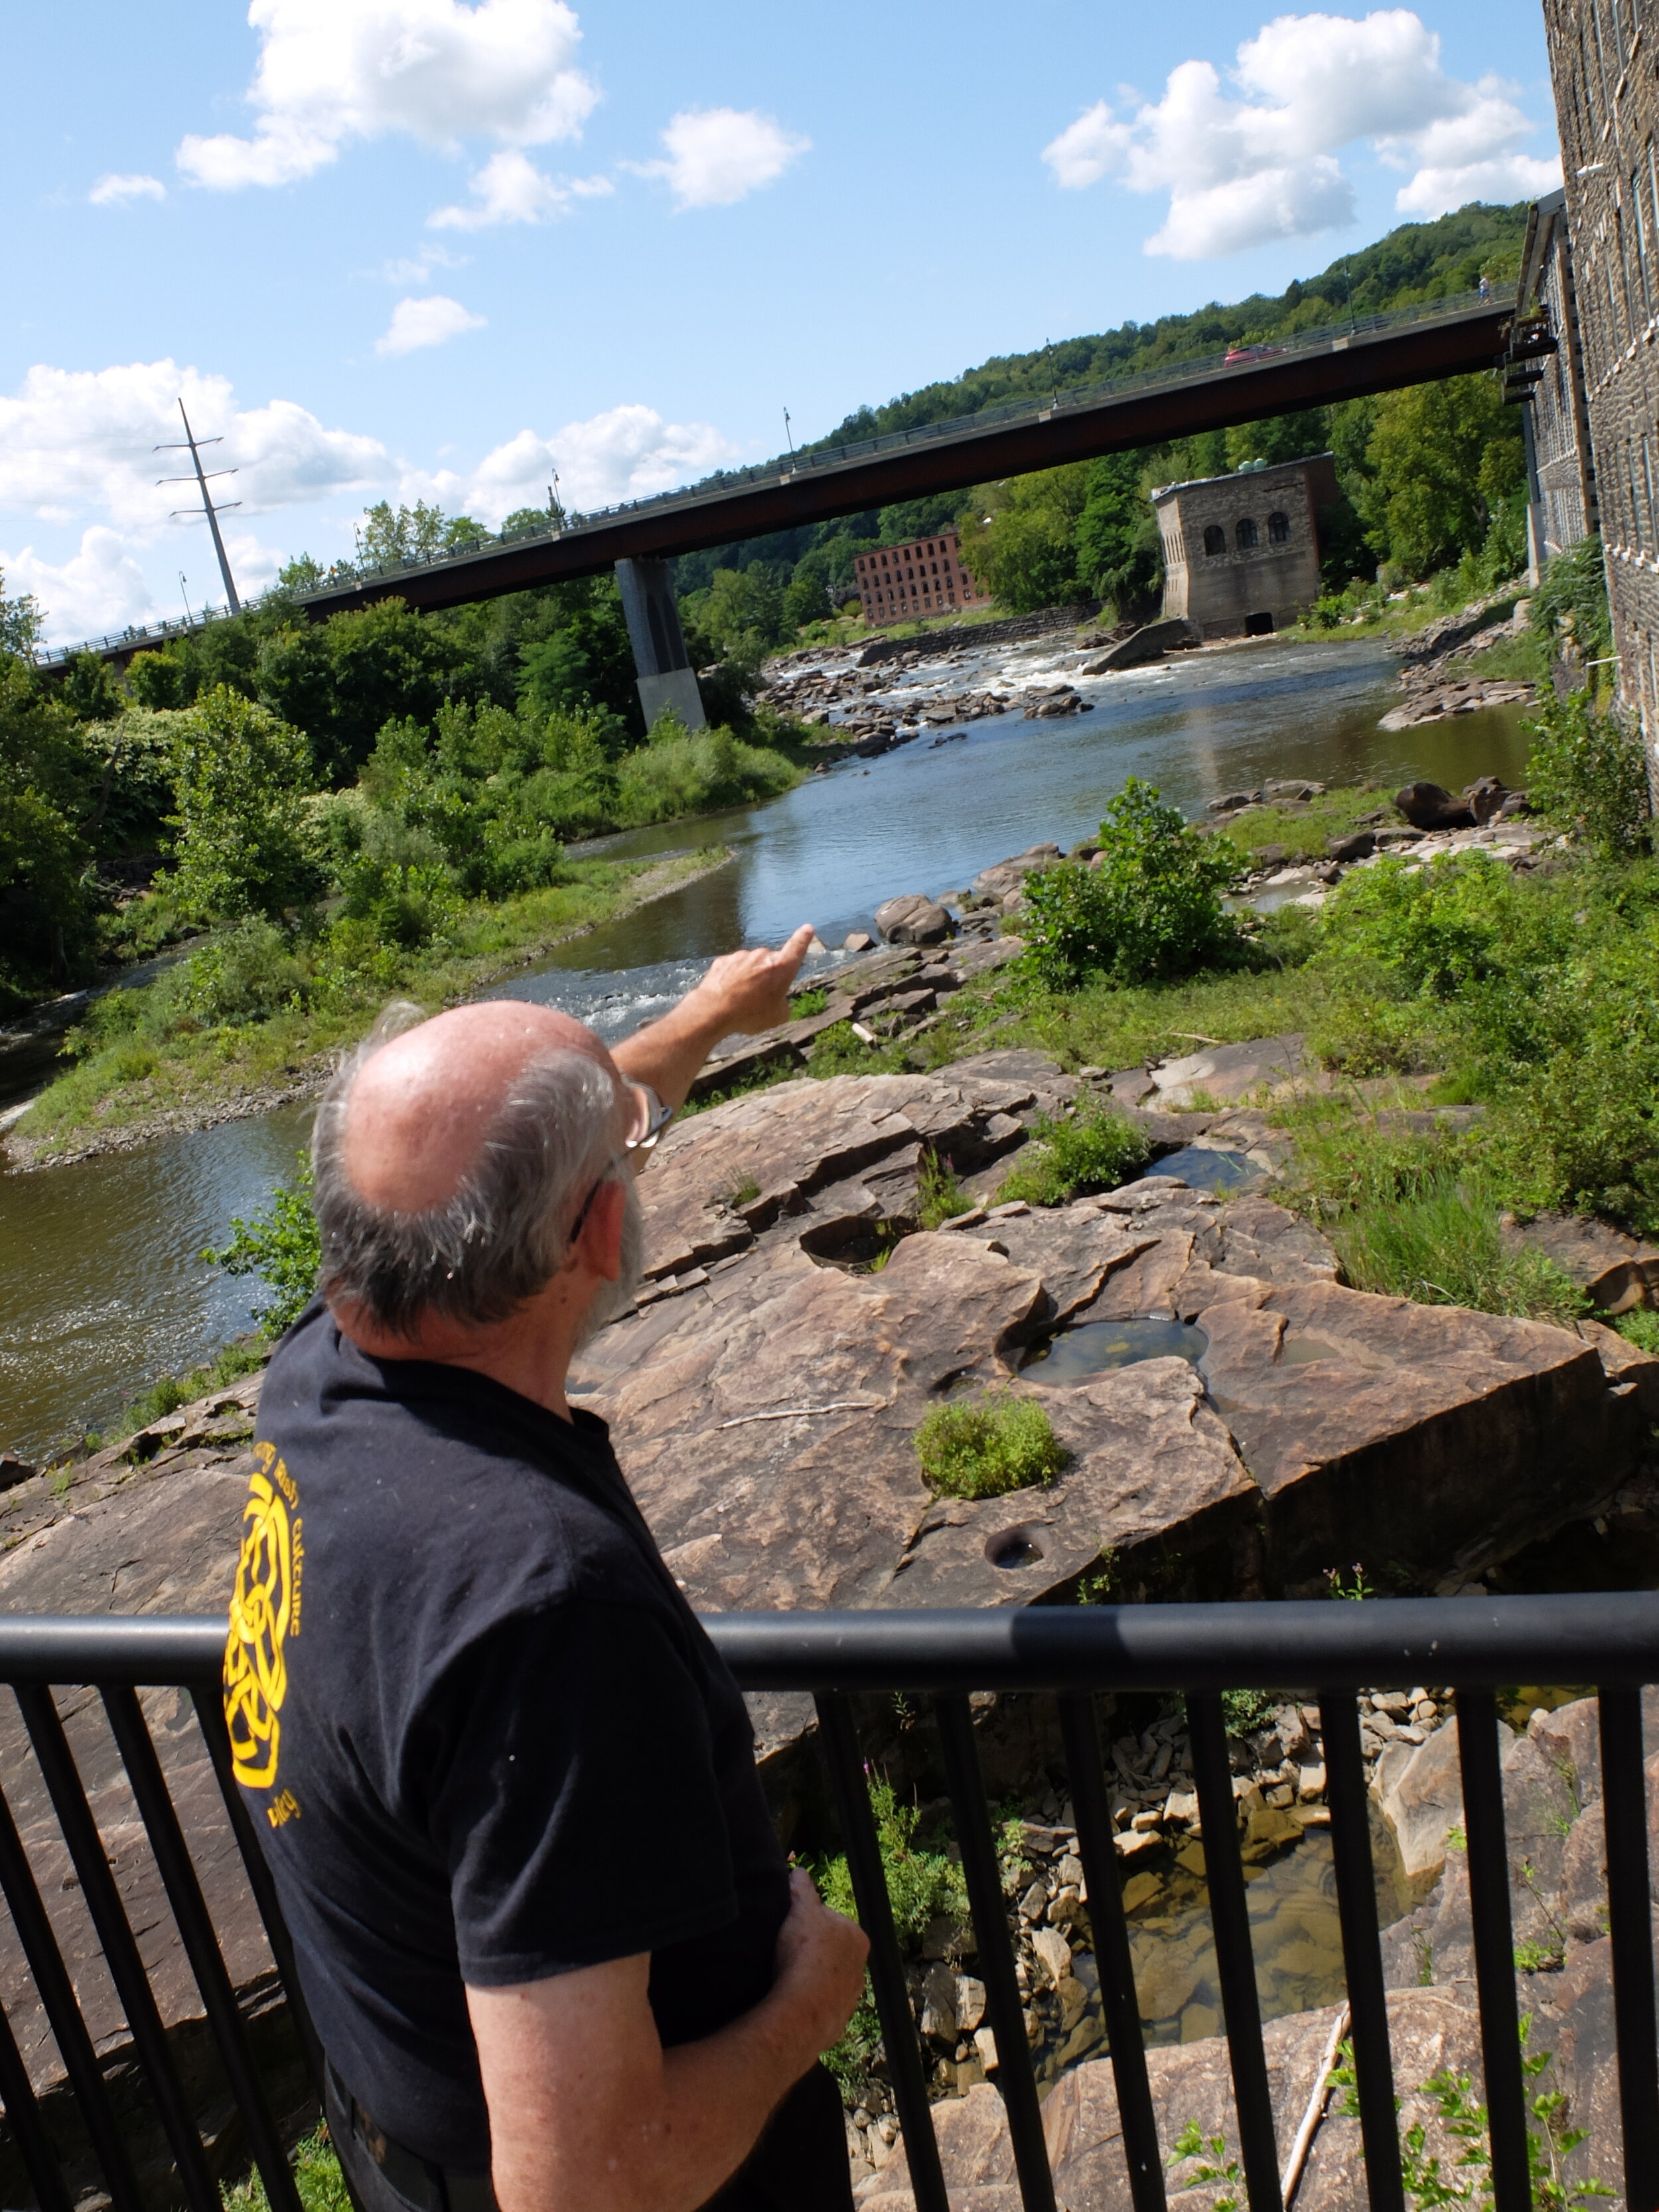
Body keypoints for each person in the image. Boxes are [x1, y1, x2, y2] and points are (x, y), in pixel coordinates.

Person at [223, 924, 870, 2212]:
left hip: (399, 2144)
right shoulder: (542, 1605)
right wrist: (808, 2004)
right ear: (599, 1231)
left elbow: (492, 1154)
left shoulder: (330, 1358)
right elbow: (584, 2188)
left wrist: (707, 1014)